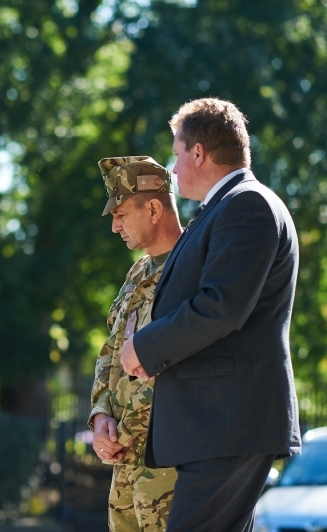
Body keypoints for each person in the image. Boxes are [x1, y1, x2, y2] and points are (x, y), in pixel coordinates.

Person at [120, 98, 300, 531]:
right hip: (220, 426)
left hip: (228, 424)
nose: (173, 168)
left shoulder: (246, 205)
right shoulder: (225, 208)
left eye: (177, 153)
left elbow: (221, 307)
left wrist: (144, 347)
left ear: (198, 152)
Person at [90, 156, 182, 531]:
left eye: (121, 214)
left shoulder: (192, 266)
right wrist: (100, 418)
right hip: (126, 461)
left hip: (168, 458)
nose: (115, 226)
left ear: (154, 209)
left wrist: (121, 434)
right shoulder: (138, 271)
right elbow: (111, 352)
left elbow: (176, 363)